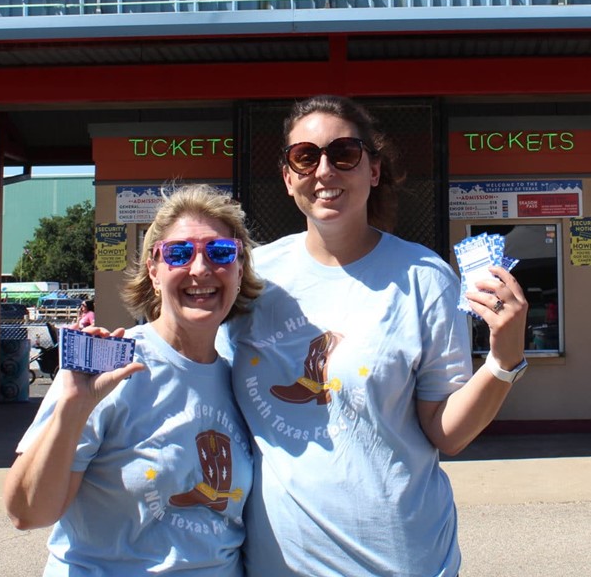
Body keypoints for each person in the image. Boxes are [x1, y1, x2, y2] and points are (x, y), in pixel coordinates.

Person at [222, 95, 528, 576]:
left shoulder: (424, 277)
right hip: (277, 564)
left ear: (374, 170)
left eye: (344, 153)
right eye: (305, 156)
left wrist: (503, 360)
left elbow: (446, 432)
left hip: (402, 558)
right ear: (287, 176)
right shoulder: (252, 277)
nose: (324, 171)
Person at [4, 184, 264, 575]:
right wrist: (74, 409)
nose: (200, 269)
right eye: (178, 253)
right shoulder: (110, 363)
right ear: (154, 272)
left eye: (220, 252)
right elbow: (27, 512)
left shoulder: (241, 376)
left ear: (239, 271)